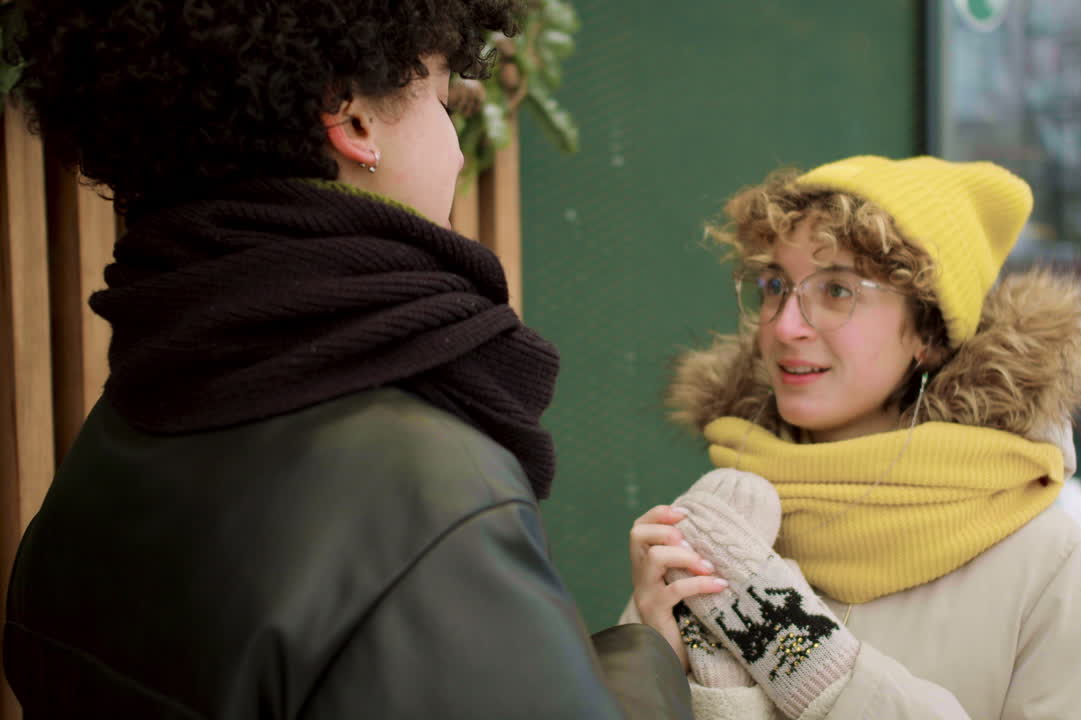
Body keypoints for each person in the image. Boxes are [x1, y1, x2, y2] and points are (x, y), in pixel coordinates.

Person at [2, 1, 692, 718]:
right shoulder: (429, 491)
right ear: (352, 119)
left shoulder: (108, 445)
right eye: (441, 96)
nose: (457, 148)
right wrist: (652, 660)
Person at [624, 156, 1081, 719]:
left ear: (927, 331)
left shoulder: (1045, 562)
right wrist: (650, 659)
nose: (783, 325)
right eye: (776, 285)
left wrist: (822, 673)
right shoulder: (722, 521)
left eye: (837, 290)